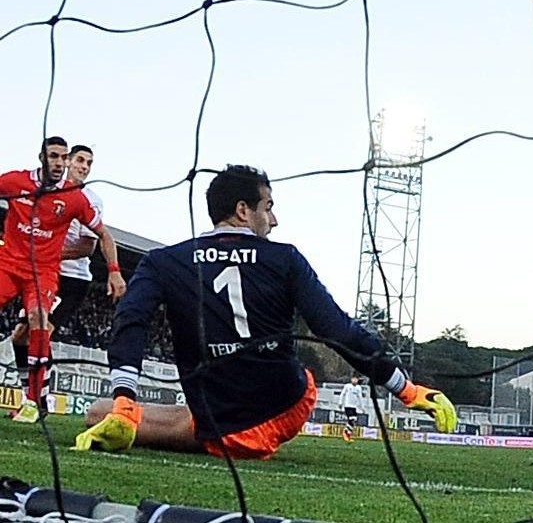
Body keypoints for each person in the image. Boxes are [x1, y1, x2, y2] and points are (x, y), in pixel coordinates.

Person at [74, 164, 456, 459]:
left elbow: (130, 321)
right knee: (98, 412)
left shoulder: (164, 261)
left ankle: (128, 412)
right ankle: (155, 415)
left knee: (101, 411)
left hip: (221, 423)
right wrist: (407, 389)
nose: (273, 219)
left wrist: (126, 398)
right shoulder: (284, 258)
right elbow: (336, 329)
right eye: (268, 207)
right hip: (287, 404)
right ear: (243, 210)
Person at [0, 137, 125, 423]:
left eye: (87, 163)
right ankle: (33, 397)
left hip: (62, 275)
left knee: (39, 321)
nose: (63, 163)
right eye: (58, 157)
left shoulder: (82, 197)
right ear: (45, 158)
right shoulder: (16, 182)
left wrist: (114, 269)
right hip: (11, 264)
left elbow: (95, 241)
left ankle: (36, 400)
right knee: (19, 337)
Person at [339, 374, 366, 443]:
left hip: (354, 407)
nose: (354, 380)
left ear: (357, 380)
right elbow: (342, 394)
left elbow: (360, 398)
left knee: (353, 421)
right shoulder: (347, 386)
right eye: (353, 379)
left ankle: (348, 434)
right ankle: (345, 432)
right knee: (352, 419)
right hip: (348, 406)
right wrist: (340, 403)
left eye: (356, 379)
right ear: (351, 379)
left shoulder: (358, 388)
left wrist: (362, 407)